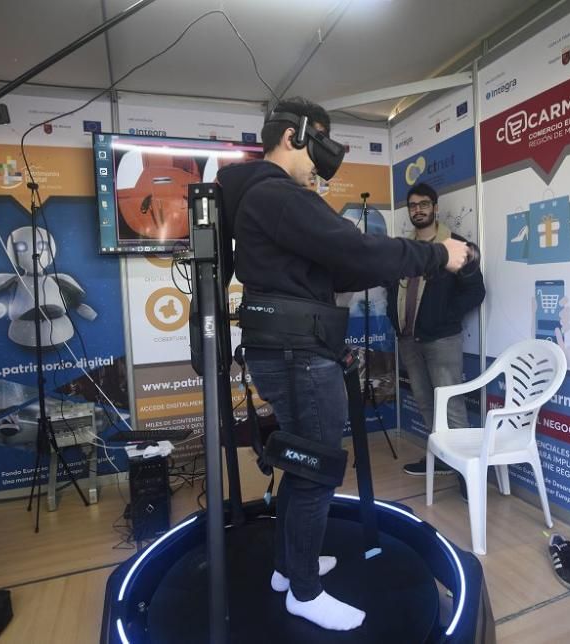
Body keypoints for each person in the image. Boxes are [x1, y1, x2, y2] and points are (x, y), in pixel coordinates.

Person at [217, 97, 469, 632]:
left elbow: (331, 271)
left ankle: (289, 569)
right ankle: (305, 593)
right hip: (298, 356)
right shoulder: (277, 195)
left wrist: (384, 266)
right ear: (292, 137)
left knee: (302, 463)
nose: (318, 168)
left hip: (290, 350)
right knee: (317, 471)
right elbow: (355, 251)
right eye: (317, 149)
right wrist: (436, 255)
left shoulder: (260, 200)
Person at [387, 183, 485, 482]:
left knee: (451, 406)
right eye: (413, 205)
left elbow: (475, 292)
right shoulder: (405, 250)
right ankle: (443, 460)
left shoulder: (455, 246)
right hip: (408, 340)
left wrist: (443, 317)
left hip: (441, 341)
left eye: (424, 204)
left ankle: (468, 474)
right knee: (426, 404)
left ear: (435, 207)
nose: (418, 209)